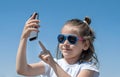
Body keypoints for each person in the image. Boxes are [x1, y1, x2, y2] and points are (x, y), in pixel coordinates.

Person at [16, 12, 99, 77]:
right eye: (61, 38)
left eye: (72, 39)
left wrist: (53, 64)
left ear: (85, 45)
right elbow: (22, 70)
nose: (65, 43)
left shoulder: (88, 68)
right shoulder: (49, 64)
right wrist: (23, 38)